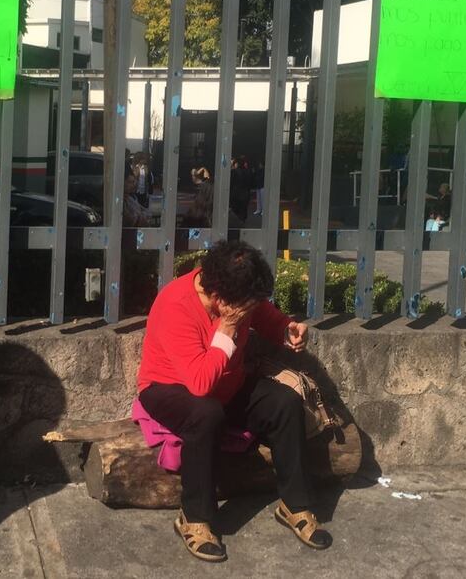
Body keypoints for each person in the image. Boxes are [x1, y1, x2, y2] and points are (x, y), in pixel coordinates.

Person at [136, 240, 332, 562]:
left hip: (225, 381)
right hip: (168, 388)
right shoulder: (176, 304)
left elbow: (264, 316)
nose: (249, 312)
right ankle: (195, 517)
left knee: (285, 401)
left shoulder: (234, 294)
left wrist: (287, 329)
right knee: (206, 412)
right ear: (219, 300)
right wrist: (227, 326)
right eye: (245, 307)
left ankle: (295, 505)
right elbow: (200, 384)